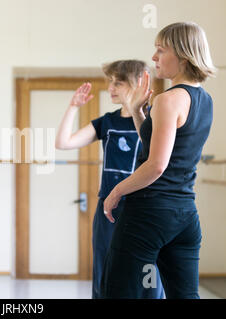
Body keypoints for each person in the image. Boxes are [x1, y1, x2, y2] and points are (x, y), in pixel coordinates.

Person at [101, 22, 216, 298]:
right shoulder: (205, 100)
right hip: (185, 215)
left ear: (184, 56)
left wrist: (115, 191)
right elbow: (160, 148)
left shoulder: (168, 100)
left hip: (148, 214)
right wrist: (138, 111)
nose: (153, 58)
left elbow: (156, 165)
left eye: (160, 50)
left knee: (117, 293)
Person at [55, 60, 164, 299]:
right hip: (108, 209)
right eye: (110, 82)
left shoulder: (155, 118)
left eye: (118, 82)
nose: (111, 87)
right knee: (105, 270)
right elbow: (63, 143)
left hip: (142, 209)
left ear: (137, 83)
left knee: (147, 276)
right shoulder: (108, 122)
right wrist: (73, 107)